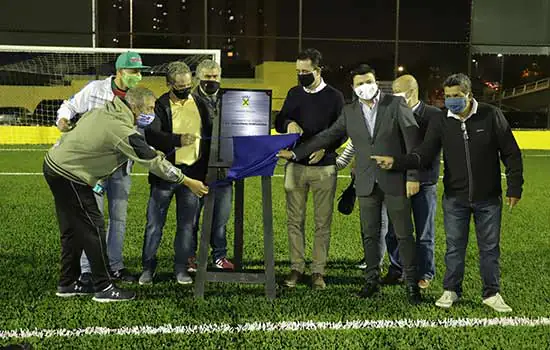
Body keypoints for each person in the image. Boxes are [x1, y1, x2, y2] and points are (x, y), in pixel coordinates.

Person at [371, 73, 524, 312]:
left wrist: (514, 187)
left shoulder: (491, 115)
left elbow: (511, 153)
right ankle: (451, 289)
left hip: (489, 198)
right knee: (454, 247)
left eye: (456, 96)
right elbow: (424, 153)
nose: (451, 100)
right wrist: (396, 162)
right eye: (448, 96)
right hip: (455, 198)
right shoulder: (442, 120)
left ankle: (491, 293)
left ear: (469, 94)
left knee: (490, 248)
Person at [44, 87, 208, 302]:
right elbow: (151, 161)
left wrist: (149, 151)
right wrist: (186, 181)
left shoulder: (105, 110)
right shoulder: (120, 128)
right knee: (93, 228)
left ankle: (67, 283)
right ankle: (104, 287)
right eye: (149, 108)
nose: (152, 112)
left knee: (72, 231)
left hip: (54, 165)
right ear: (136, 107)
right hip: (71, 175)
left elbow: (129, 147)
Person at [279, 63, 423, 304]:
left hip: (395, 179)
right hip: (365, 182)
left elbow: (413, 142)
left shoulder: (396, 104)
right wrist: (296, 154)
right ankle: (371, 281)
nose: (364, 87)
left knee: (404, 234)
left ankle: (411, 285)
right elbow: (327, 136)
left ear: (376, 82)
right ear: (353, 87)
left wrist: (412, 176)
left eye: (368, 81)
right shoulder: (350, 111)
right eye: (359, 83)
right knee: (370, 234)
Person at [55, 51, 150, 284]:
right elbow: (70, 105)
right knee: (92, 219)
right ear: (119, 72)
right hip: (95, 169)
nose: (137, 76)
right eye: (133, 71)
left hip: (120, 167)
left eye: (140, 72)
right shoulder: (95, 89)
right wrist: (63, 119)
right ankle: (88, 269)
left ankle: (115, 266)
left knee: (119, 218)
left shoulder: (137, 96)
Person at [139, 61, 216, 285]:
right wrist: (177, 140)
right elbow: (152, 135)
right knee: (154, 224)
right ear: (169, 84)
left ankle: (180, 268)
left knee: (187, 225)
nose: (185, 89)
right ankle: (148, 268)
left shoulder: (201, 104)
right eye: (180, 85)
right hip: (165, 175)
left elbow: (210, 134)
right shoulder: (160, 105)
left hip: (192, 176)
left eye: (188, 85)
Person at [274, 48, 345, 290]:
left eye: (305, 71)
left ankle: (318, 271)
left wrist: (326, 149)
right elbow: (279, 120)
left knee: (322, 222)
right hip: (295, 166)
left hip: (323, 167)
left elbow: (341, 129)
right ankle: (296, 268)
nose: (301, 75)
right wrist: (288, 122)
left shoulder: (335, 97)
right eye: (298, 71)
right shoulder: (294, 93)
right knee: (295, 221)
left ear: (318, 70)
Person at [381, 74, 443, 289]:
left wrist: (414, 175)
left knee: (424, 232)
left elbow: (427, 152)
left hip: (424, 182)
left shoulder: (434, 115)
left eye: (399, 93)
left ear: (412, 92)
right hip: (396, 182)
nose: (395, 97)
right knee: (394, 231)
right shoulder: (392, 113)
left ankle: (425, 273)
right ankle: (397, 268)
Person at [189, 59, 235, 272]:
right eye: (207, 77)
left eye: (215, 77)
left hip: (223, 168)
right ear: (198, 78)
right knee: (192, 218)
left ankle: (219, 256)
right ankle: (192, 258)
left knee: (221, 217)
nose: (211, 81)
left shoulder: (229, 100)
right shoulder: (188, 100)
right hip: (196, 169)